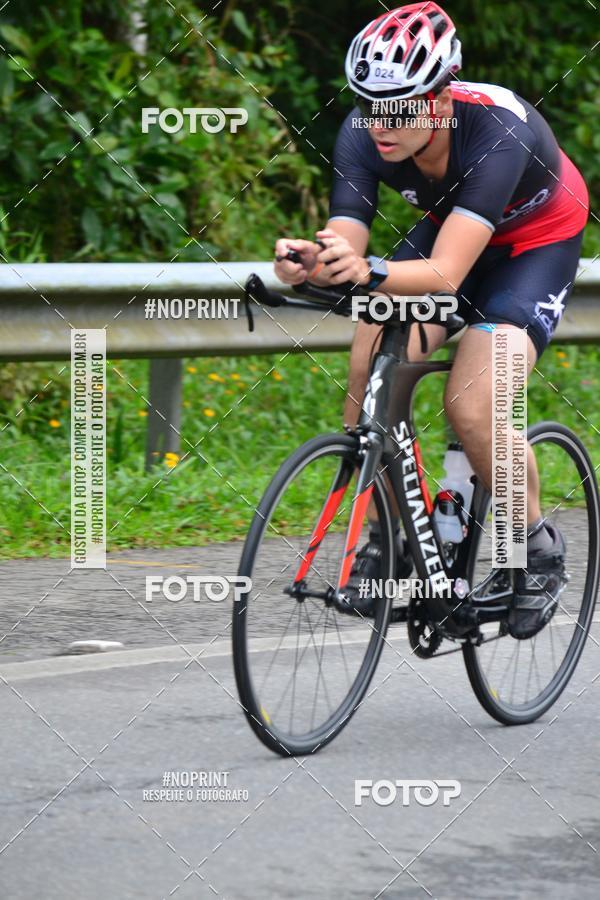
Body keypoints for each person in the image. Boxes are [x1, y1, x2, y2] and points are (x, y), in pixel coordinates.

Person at [273, 2, 589, 640]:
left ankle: (534, 547)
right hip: (457, 231)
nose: (379, 122)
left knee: (473, 405)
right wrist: (319, 257)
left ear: (440, 102)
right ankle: (392, 543)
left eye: (397, 107)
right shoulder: (367, 130)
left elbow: (445, 274)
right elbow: (348, 232)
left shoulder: (495, 133)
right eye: (368, 103)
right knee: (368, 371)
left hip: (533, 246)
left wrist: (368, 271)